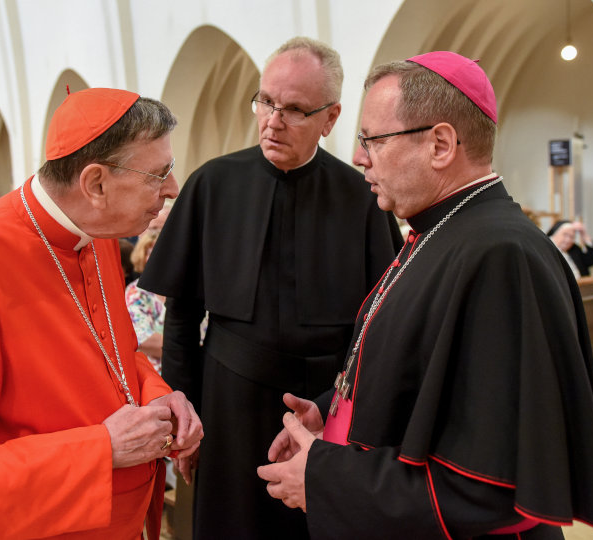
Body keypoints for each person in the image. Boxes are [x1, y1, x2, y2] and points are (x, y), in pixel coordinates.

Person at [257, 51, 593, 539]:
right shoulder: (436, 233)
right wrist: (332, 407)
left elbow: (488, 489)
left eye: (372, 140)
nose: (359, 157)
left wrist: (324, 478)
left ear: (441, 144)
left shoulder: (501, 258)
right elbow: (423, 375)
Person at [0, 88, 203, 540]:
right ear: (95, 185)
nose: (172, 189)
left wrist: (156, 394)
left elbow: (114, 355)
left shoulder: (98, 231)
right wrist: (100, 450)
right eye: (158, 174)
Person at [139, 37, 403, 539]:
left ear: (331, 118)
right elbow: (181, 317)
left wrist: (346, 417)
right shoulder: (212, 184)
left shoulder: (362, 197)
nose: (273, 120)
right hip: (227, 408)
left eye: (295, 109)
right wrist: (184, 422)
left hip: (326, 411)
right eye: (266, 101)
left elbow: (377, 328)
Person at [126, 230, 164, 372]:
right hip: (155, 376)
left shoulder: (187, 288)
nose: (156, 258)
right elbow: (143, 339)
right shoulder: (136, 292)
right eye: (150, 252)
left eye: (162, 252)